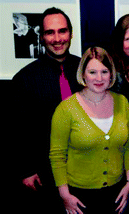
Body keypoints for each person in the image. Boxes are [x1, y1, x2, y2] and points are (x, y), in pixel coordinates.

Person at [12, 7, 83, 213]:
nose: (57, 38)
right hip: (45, 175)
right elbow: (18, 130)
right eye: (50, 32)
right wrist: (27, 170)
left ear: (71, 33)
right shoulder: (24, 79)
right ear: (41, 36)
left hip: (85, 168)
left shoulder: (85, 70)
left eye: (62, 31)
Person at [50, 47, 129, 214]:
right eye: (92, 72)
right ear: (83, 74)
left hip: (116, 194)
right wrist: (64, 194)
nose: (99, 78)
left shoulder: (122, 102)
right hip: (79, 197)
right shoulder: (66, 109)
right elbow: (57, 155)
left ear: (111, 74)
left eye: (104, 71)